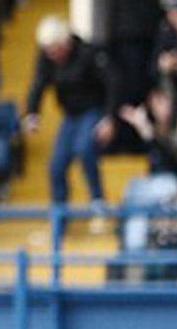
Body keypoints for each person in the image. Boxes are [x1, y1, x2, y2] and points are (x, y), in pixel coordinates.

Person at [24, 15, 118, 223]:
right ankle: (60, 213)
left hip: (93, 110)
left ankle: (97, 200)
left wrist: (109, 117)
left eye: (56, 50)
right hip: (70, 115)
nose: (53, 55)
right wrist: (32, 112)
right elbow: (38, 84)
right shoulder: (46, 58)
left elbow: (112, 84)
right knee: (56, 165)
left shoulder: (88, 53)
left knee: (85, 148)